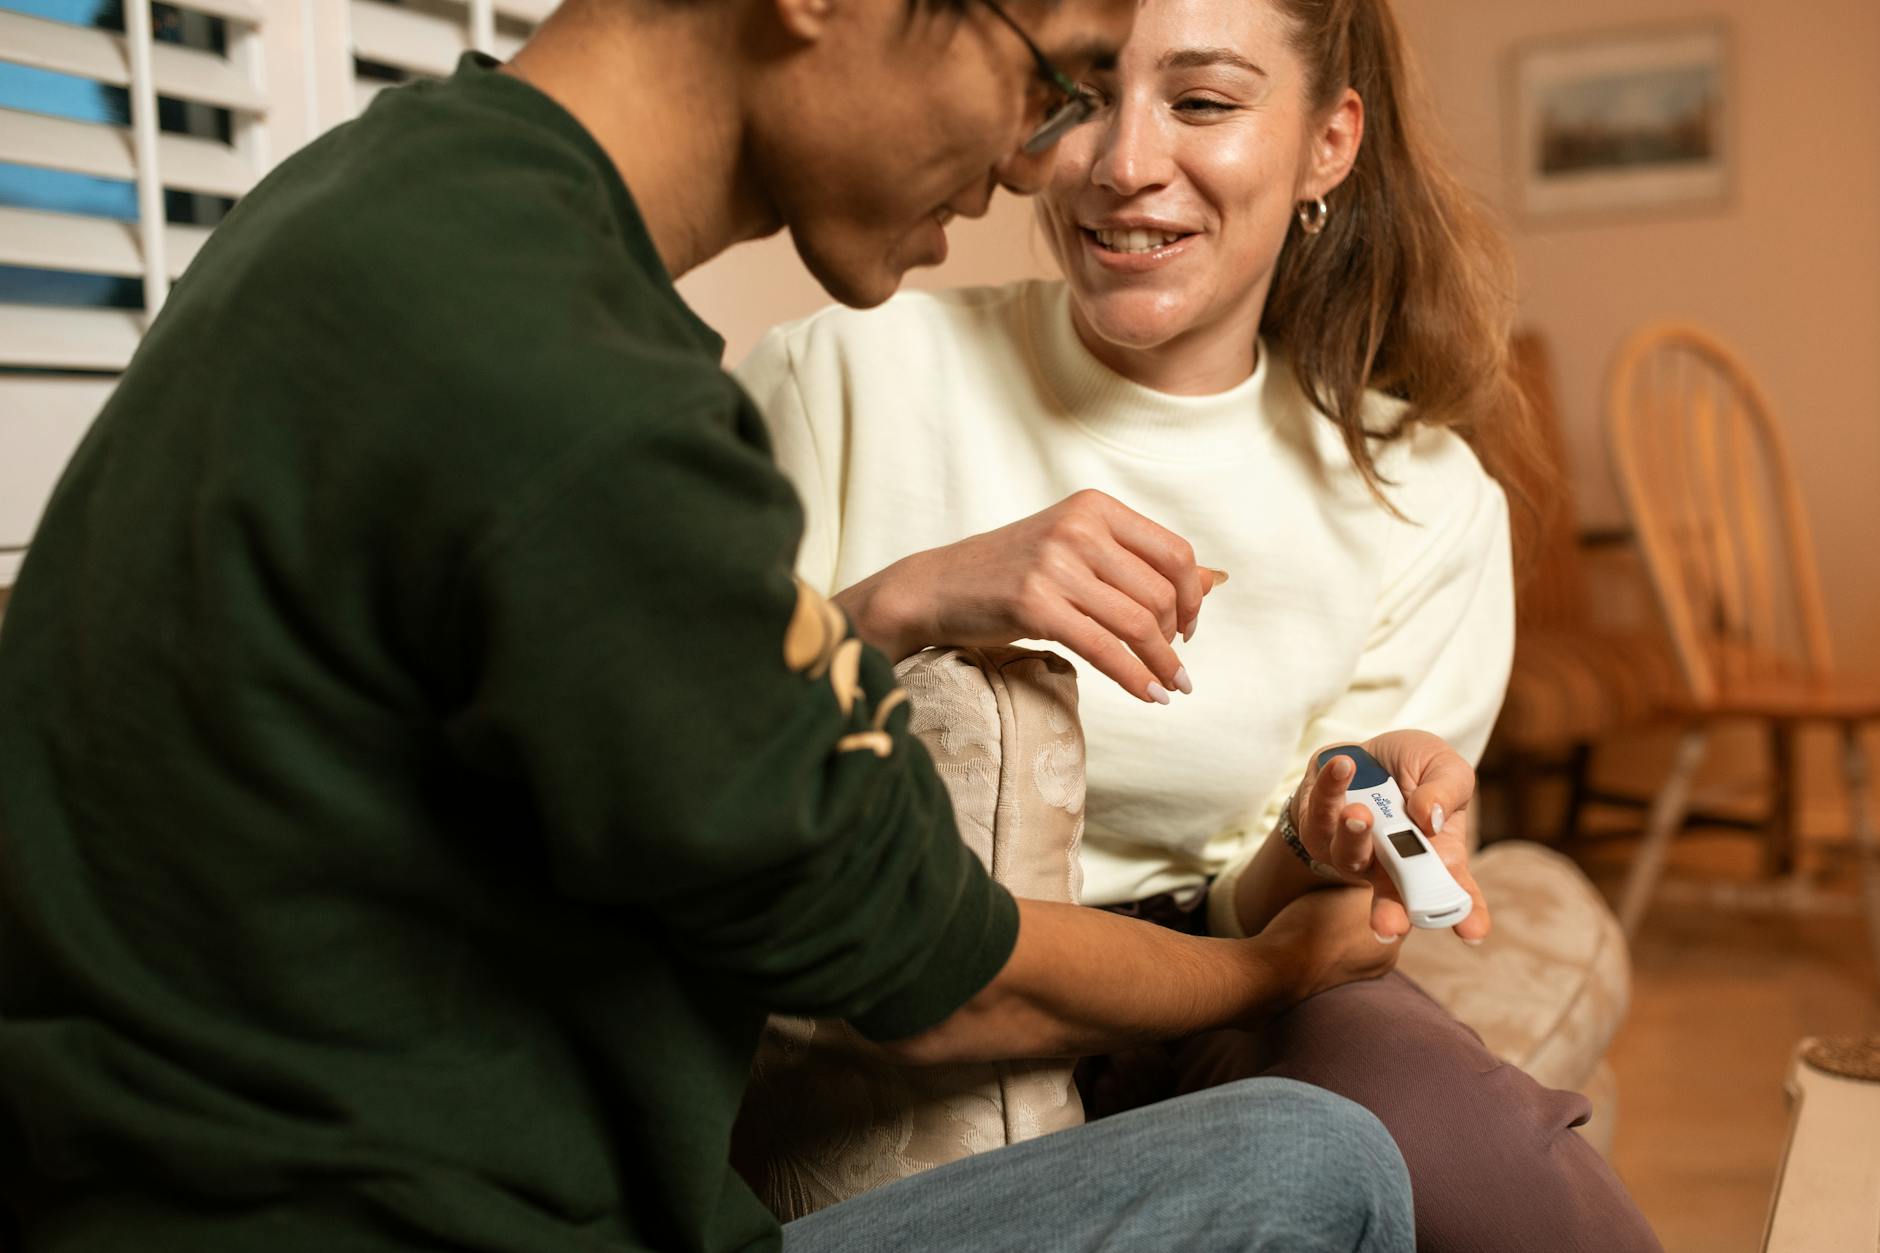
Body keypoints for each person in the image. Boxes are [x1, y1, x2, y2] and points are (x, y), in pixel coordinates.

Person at [0, 0, 1425, 1249]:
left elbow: (654, 698)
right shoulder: (564, 384)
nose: (1033, 162)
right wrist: (1269, 966)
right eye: (1045, 75)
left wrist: (896, 600)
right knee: (1314, 1167)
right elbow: (938, 978)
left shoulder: (405, 198)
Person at [735, 0, 1664, 1247]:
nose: (1122, 164)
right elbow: (686, 744)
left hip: (1208, 979)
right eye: (1080, 92)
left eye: (1204, 101)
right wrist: (903, 596)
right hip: (908, 982)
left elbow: (1289, 923)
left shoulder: (1425, 499)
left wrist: (1325, 830)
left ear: (1327, 143)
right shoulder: (841, 373)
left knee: (1470, 1149)